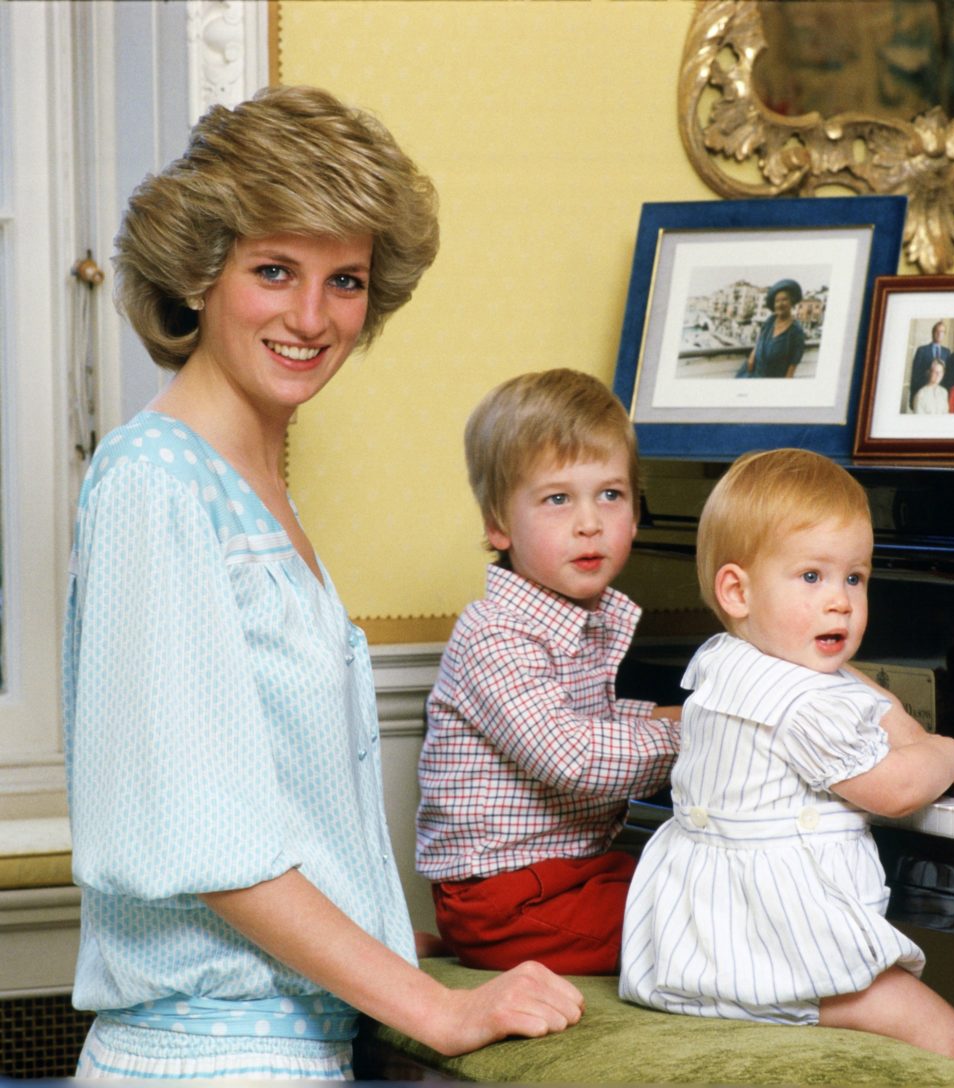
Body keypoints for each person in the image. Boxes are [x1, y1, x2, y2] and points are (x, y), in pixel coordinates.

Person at [64, 85, 584, 1081]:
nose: (312, 316)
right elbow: (207, 839)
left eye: (344, 280)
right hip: (205, 1062)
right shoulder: (152, 479)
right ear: (199, 276)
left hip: (293, 1049)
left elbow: (284, 807)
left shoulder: (252, 488)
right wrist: (434, 1007)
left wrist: (396, 948)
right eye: (274, 270)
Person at [618, 449, 954, 1061]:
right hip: (776, 948)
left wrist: (907, 730)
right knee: (945, 1036)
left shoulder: (728, 659)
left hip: (703, 938)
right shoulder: (802, 705)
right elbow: (894, 791)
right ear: (737, 590)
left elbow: (858, 690)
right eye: (812, 577)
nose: (840, 601)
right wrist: (942, 754)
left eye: (854, 578)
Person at [415, 369, 681, 976]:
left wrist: (672, 714)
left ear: (636, 513)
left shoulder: (580, 618)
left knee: (703, 876)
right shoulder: (495, 634)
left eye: (610, 494)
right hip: (502, 898)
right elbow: (575, 756)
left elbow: (594, 718)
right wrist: (695, 732)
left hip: (569, 872)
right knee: (697, 918)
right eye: (558, 498)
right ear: (497, 525)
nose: (590, 522)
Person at [736, 279, 807, 378]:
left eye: (784, 299)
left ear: (792, 301)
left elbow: (792, 366)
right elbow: (760, 339)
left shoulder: (796, 331)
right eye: (777, 301)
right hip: (752, 372)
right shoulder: (770, 320)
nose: (780, 304)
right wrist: (752, 356)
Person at [906, 320, 949, 397]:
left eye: (942, 332)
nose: (939, 334)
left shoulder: (947, 352)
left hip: (939, 394)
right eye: (937, 331)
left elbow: (947, 376)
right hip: (922, 392)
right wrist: (913, 395)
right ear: (933, 333)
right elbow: (915, 374)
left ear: (944, 335)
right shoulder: (922, 350)